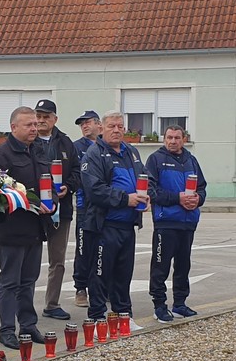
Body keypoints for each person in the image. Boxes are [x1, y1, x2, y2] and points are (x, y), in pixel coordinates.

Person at [0, 106, 50, 349]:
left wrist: (52, 200)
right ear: (14, 127)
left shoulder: (38, 150)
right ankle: (7, 329)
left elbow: (47, 182)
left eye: (35, 124)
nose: (35, 128)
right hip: (12, 228)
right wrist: (30, 203)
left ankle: (28, 324)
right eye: (29, 125)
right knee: (10, 282)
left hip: (36, 227)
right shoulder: (0, 155)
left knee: (29, 280)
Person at [79, 111, 149, 327]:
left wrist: (147, 197)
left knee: (123, 274)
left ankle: (124, 316)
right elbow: (94, 190)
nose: (116, 130)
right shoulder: (94, 154)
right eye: (111, 126)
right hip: (104, 225)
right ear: (101, 128)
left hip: (127, 225)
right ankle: (97, 318)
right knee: (99, 274)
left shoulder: (132, 152)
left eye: (120, 126)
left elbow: (144, 179)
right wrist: (125, 199)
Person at [146, 124, 206, 321]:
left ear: (184, 139)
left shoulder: (191, 160)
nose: (173, 141)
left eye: (177, 138)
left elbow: (202, 187)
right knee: (160, 266)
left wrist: (198, 199)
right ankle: (159, 306)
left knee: (183, 266)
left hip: (188, 223)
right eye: (169, 137)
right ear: (164, 139)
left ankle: (180, 304)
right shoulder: (155, 159)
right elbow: (151, 191)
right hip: (166, 222)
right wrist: (177, 198)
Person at [33, 98, 78, 321]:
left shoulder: (66, 143)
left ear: (55, 119)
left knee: (57, 260)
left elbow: (78, 172)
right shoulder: (27, 141)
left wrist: (68, 186)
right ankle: (23, 306)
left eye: (46, 117)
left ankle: (52, 304)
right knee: (29, 260)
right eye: (38, 116)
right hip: (34, 209)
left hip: (62, 209)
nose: (41, 120)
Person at [70, 109, 102, 309]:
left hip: (104, 206)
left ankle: (101, 287)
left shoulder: (106, 146)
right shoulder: (76, 147)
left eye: (87, 122)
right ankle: (81, 287)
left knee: (103, 248)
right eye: (81, 123)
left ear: (99, 124)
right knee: (83, 249)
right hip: (84, 206)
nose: (84, 126)